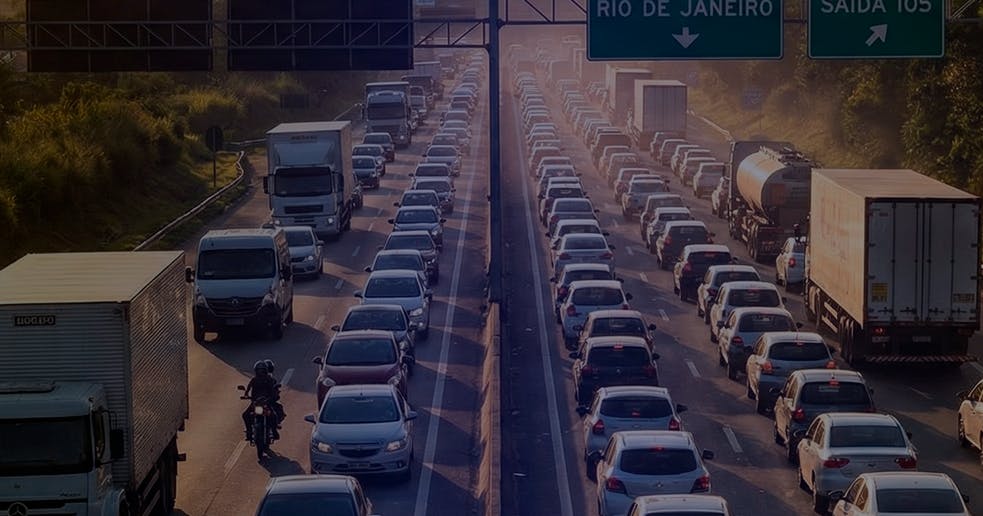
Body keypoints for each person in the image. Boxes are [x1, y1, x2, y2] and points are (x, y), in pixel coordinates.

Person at [242, 360, 279, 442]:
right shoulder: (254, 380)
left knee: (273, 416)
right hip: (255, 403)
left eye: (262, 370)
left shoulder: (269, 379)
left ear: (265, 370)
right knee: (245, 415)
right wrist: (246, 395)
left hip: (266, 402)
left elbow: (273, 390)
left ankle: (274, 431)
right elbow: (248, 387)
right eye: (259, 370)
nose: (260, 372)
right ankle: (249, 432)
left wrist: (272, 397)